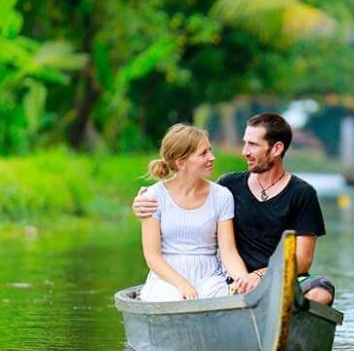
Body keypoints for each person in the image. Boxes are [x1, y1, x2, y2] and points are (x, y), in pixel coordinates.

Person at [134, 113, 335, 306]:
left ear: (276, 149)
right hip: (232, 277)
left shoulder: (302, 194)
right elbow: (185, 198)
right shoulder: (230, 186)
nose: (244, 151)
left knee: (320, 293)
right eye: (245, 142)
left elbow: (302, 260)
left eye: (252, 144)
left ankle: (285, 324)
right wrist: (141, 203)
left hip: (277, 276)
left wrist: (256, 277)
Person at [138, 123, 249, 302]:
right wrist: (181, 283)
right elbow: (152, 256)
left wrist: (243, 279)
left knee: (223, 298)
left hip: (210, 277)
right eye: (203, 153)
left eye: (210, 151)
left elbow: (228, 251)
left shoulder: (222, 196)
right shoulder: (153, 197)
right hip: (167, 278)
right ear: (181, 162)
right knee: (173, 299)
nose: (212, 157)